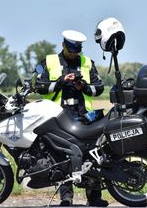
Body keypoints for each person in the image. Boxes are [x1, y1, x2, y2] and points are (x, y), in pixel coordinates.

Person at [35, 30, 108, 207]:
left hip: (84, 114)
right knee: (62, 155)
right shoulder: (48, 61)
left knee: (92, 154)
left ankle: (94, 198)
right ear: (63, 46)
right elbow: (39, 86)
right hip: (58, 114)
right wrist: (60, 81)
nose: (74, 54)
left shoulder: (88, 63)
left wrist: (82, 86)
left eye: (77, 51)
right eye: (71, 50)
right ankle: (66, 198)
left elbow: (98, 88)